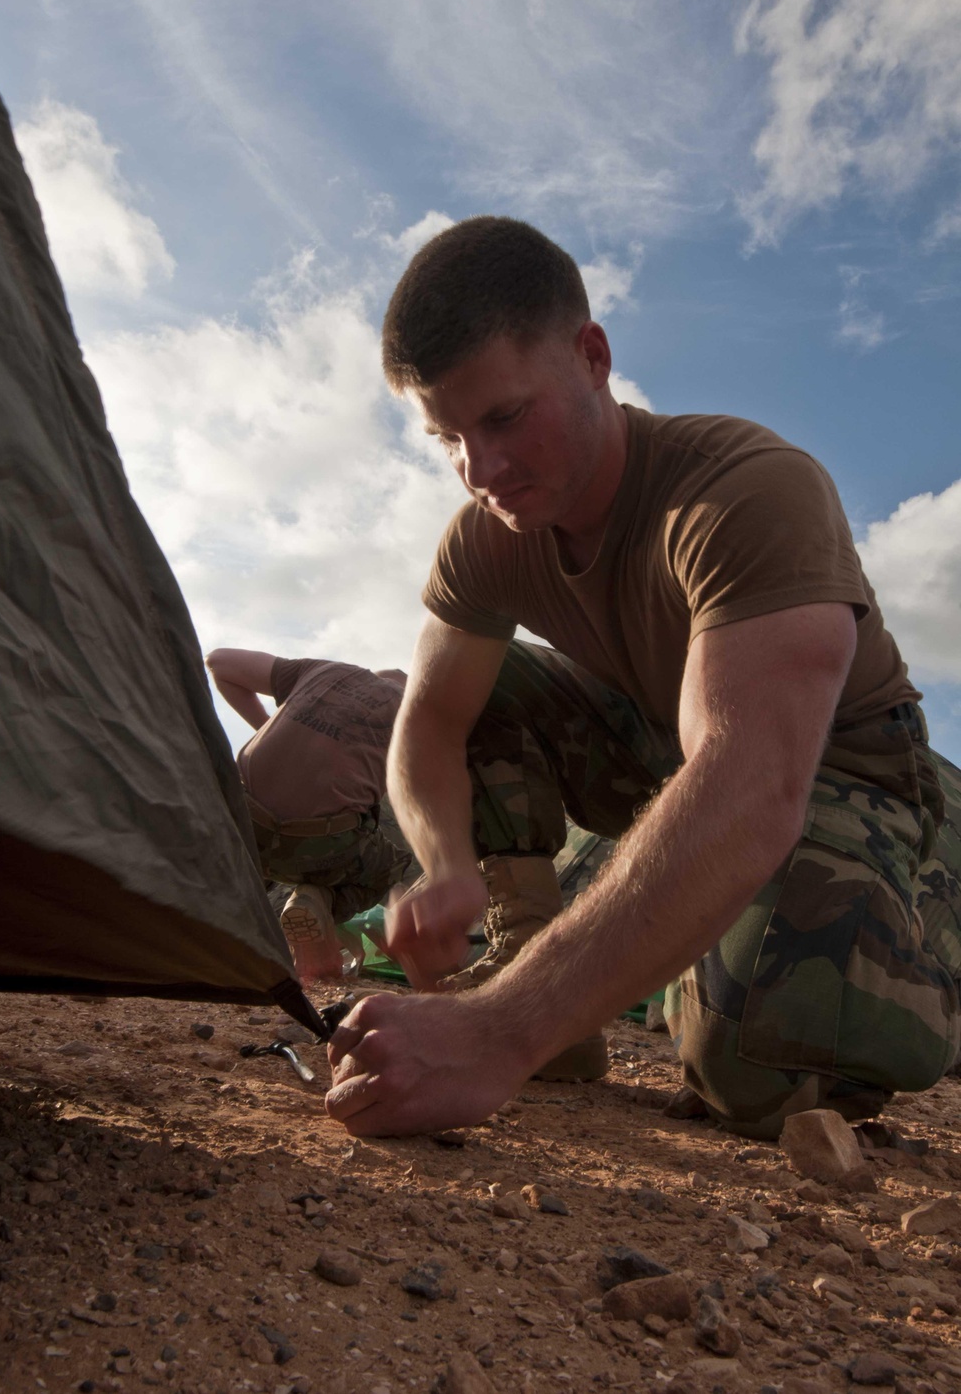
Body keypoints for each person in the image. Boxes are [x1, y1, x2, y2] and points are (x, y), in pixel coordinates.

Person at [324, 215, 961, 1140]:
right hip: (666, 744)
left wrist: (497, 1033)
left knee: (744, 1062)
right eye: (447, 439)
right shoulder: (488, 539)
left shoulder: (748, 492)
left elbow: (748, 785)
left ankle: (928, 947)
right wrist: (447, 864)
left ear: (592, 356)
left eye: (504, 417)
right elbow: (427, 724)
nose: (481, 470)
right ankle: (528, 974)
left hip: (843, 768)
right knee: (485, 691)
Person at [205, 648, 417, 980]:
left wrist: (265, 727)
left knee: (239, 877)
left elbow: (219, 662)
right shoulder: (414, 710)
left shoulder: (322, 671)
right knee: (395, 868)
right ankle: (321, 900)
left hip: (242, 823)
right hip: (321, 842)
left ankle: (201, 943)